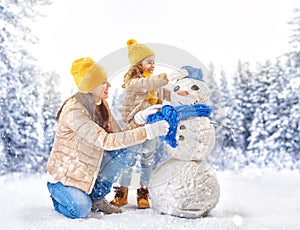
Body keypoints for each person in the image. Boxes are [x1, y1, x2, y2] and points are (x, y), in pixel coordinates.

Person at [46, 57, 169, 219]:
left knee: (127, 150)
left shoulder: (101, 106)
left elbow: (118, 138)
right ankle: (58, 197)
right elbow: (106, 141)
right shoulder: (74, 111)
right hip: (66, 179)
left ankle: (97, 198)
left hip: (89, 174)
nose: (109, 85)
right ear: (90, 86)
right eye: (103, 82)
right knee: (81, 210)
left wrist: (139, 119)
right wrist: (148, 132)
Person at [110, 39, 186, 209]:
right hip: (135, 125)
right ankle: (122, 192)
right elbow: (147, 84)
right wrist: (168, 77)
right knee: (128, 159)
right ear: (139, 63)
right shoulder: (134, 82)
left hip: (152, 125)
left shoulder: (154, 82)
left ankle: (143, 192)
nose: (152, 65)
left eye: (154, 62)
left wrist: (180, 92)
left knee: (147, 159)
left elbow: (166, 94)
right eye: (149, 62)